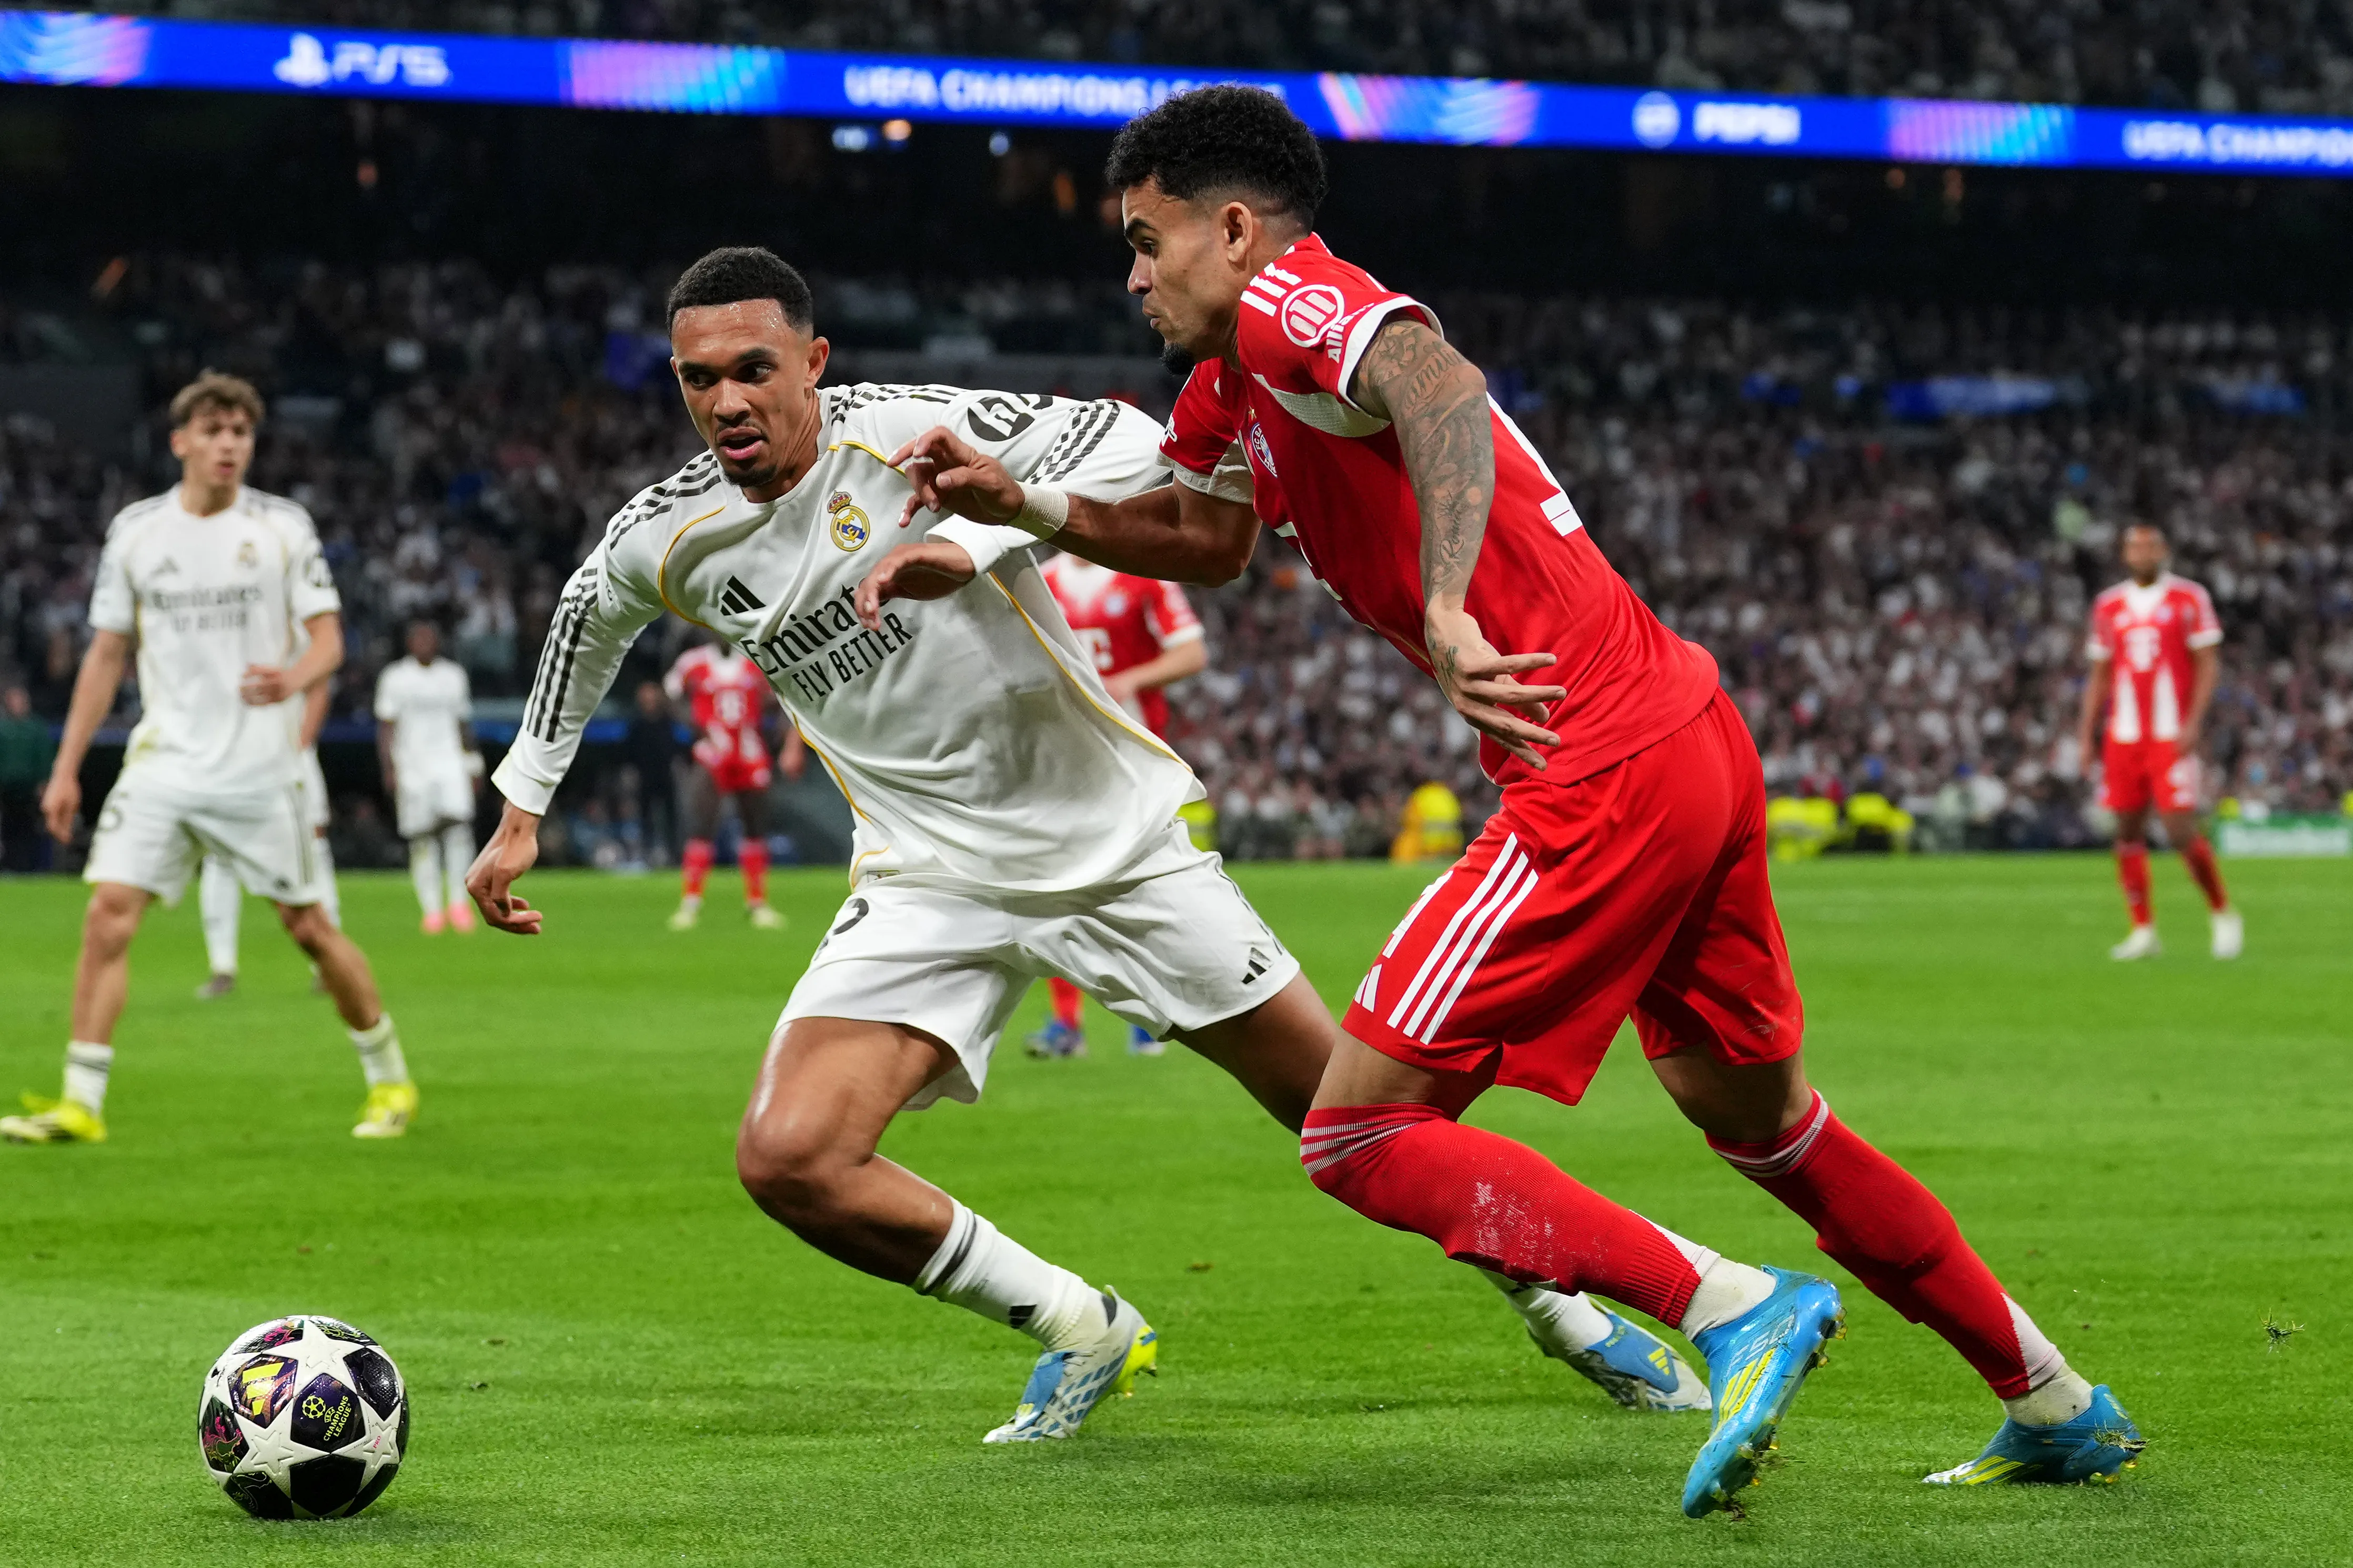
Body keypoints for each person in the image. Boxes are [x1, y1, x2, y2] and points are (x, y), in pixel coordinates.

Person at [860, 86, 2141, 1511]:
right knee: (1765, 1118)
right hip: (1686, 731)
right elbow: (1204, 539)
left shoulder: (1297, 299)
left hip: (1595, 755)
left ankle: (1728, 1304)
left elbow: (1437, 381)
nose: (1134, 273)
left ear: (1232, 227)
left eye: (1149, 239)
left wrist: (1456, 601)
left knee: (1354, 1132)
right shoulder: (1230, 386)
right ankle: (2053, 1393)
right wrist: (1013, 507)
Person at [466, 247, 1710, 1448]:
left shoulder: (907, 426)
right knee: (790, 1156)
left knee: (1359, 1125)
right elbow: (588, 613)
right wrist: (524, 804)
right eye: (699, 379)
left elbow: (1134, 440)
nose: (727, 400)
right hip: (925, 878)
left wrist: (980, 536)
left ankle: (1563, 1307)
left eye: (752, 367)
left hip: (1115, 851)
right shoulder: (666, 531)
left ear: (814, 362)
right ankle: (1077, 1321)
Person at [3, 371, 416, 1145]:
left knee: (308, 928)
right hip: (164, 763)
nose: (230, 445)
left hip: (260, 769)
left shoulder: (283, 528)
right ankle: (80, 1102)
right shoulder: (136, 532)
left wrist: (293, 677)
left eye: (242, 433)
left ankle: (388, 1078)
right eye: (216, 431)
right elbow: (104, 655)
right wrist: (65, 768)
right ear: (180, 441)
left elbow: (329, 638)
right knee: (107, 916)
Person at [1028, 553, 1206, 1059]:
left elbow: (1191, 652)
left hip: (1134, 758)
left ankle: (1150, 1019)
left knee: (1143, 887)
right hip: (1064, 755)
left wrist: (1133, 679)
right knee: (1054, 886)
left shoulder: (1143, 575)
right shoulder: (1042, 578)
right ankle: (1067, 1026)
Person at [2076, 523, 2240, 962]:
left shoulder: (2188, 598)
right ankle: (2143, 929)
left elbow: (2208, 663)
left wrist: (2193, 722)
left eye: (2149, 546)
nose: (2142, 553)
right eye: (2134, 546)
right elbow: (2100, 674)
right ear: (2125, 553)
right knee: (2126, 830)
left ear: (2163, 551)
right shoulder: (2109, 605)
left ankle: (2222, 912)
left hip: (2169, 734)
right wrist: (2085, 733)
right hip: (2124, 735)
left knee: (2178, 829)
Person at [196, 672, 343, 997]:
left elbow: (319, 681)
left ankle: (328, 965)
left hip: (288, 756)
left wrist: (300, 746)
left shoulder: (290, 628)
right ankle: (222, 967)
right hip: (226, 761)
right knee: (218, 856)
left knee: (312, 848)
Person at [663, 633, 786, 930]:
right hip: (714, 750)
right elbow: (669, 692)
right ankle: (690, 904)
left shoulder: (755, 660)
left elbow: (781, 694)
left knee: (755, 824)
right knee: (702, 824)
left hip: (748, 749)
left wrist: (774, 726)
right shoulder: (694, 661)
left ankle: (757, 903)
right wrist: (693, 725)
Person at [375, 618, 482, 934]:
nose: (424, 643)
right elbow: (386, 727)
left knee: (458, 830)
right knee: (422, 838)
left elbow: (464, 723)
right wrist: (389, 768)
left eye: (429, 638)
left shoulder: (453, 676)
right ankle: (432, 909)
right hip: (413, 767)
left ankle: (460, 904)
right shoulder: (395, 677)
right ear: (409, 643)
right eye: (418, 638)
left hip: (450, 762)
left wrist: (474, 764)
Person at [621, 679, 684, 866]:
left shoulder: (667, 722)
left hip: (666, 776)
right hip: (644, 777)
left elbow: (676, 748)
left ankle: (675, 855)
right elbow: (628, 753)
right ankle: (646, 854)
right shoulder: (637, 724)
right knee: (645, 817)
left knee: (671, 817)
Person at [0, 682, 56, 873]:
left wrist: (44, 784)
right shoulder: (3, 729)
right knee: (8, 829)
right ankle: (10, 866)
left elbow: (44, 758)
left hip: (29, 791)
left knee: (30, 830)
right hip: (6, 791)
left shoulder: (36, 728)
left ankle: (30, 867)